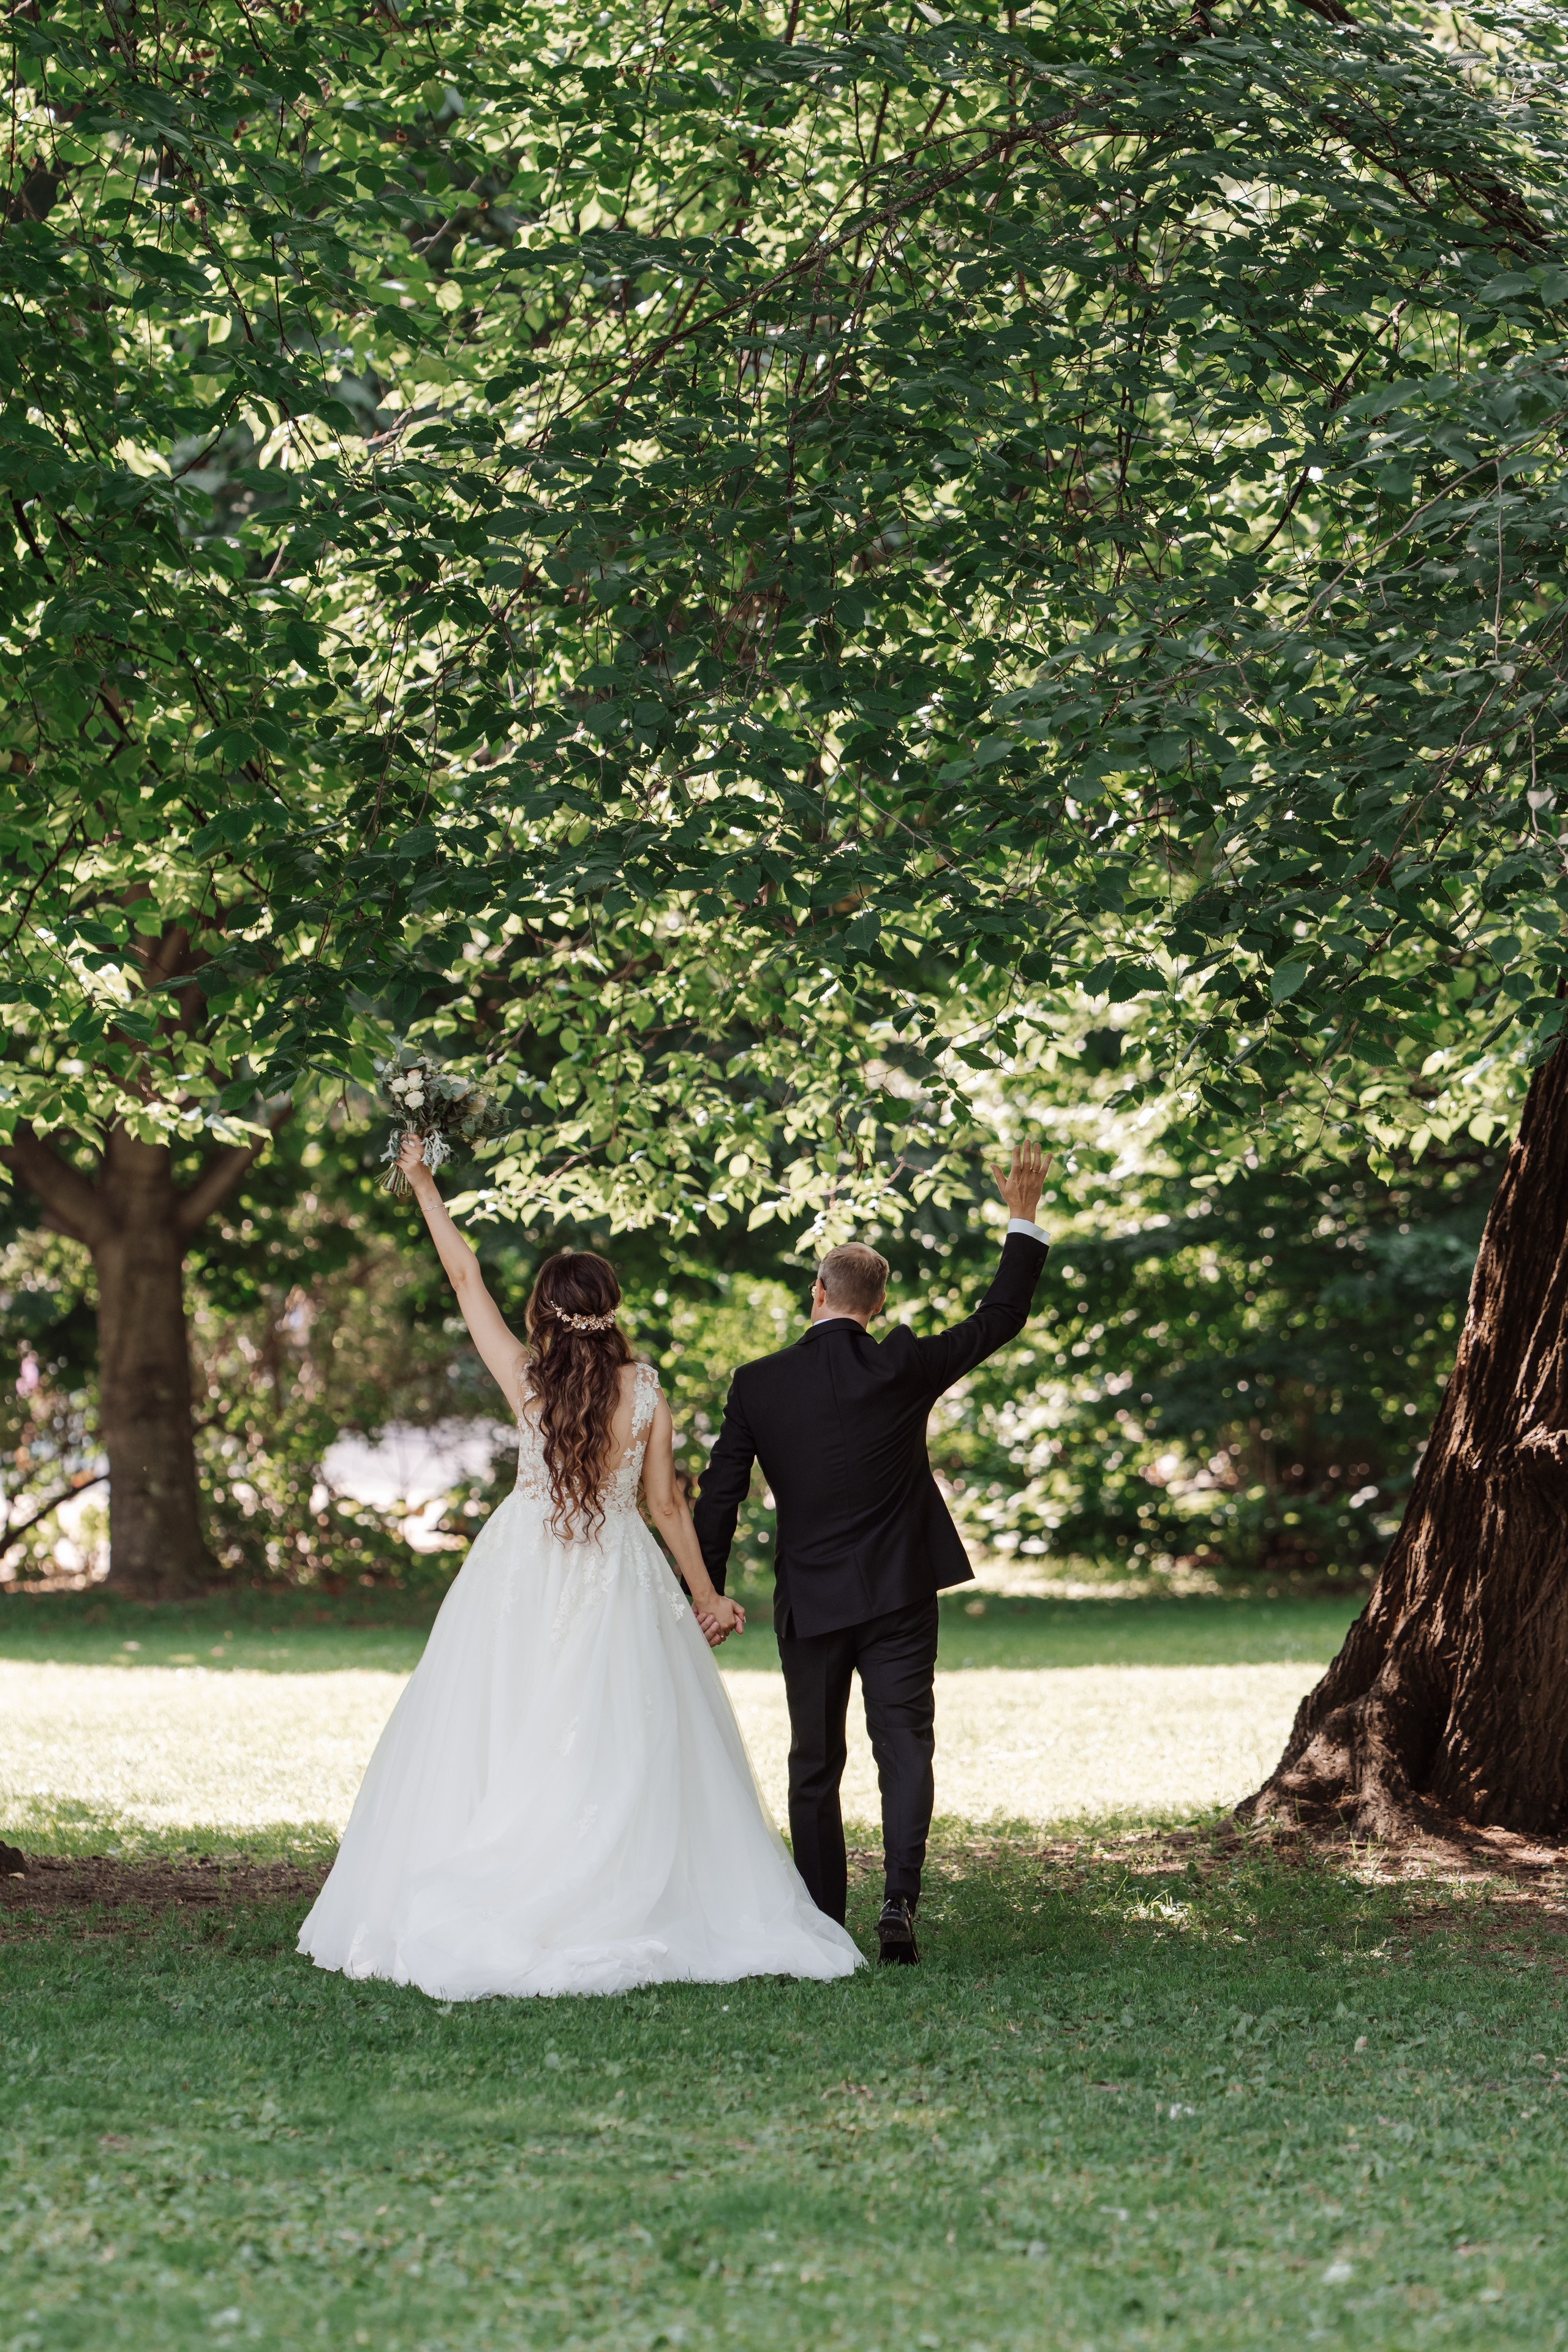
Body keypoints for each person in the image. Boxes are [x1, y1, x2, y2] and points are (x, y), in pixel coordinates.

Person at [298, 1136, 862, 2000]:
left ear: (543, 1313)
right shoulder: (646, 1389)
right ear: (610, 1309)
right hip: (619, 1571)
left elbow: (463, 1277)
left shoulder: (525, 1376)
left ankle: (509, 1872)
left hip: (521, 1567)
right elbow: (667, 1505)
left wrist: (422, 1181)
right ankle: (617, 1885)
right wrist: (707, 1597)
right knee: (621, 1729)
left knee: (505, 1718)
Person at [692, 1143, 1051, 1965]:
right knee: (905, 1744)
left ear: (816, 1293)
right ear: (877, 1304)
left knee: (815, 1761)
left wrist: (704, 1590)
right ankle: (898, 1901)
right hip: (899, 1593)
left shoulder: (758, 1383)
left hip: (812, 1602)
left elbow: (720, 1495)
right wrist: (1021, 1220)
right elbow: (1001, 1316)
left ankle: (823, 1920)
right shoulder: (903, 1364)